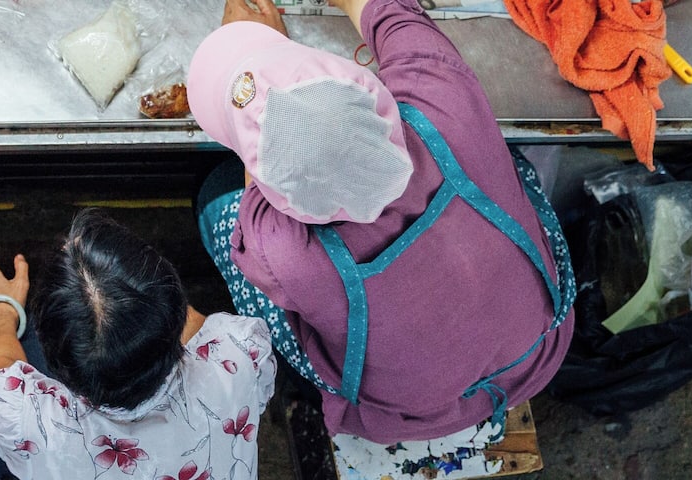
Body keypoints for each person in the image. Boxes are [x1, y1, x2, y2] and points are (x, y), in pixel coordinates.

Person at [191, 0, 575, 444]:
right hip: (537, 352)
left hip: (408, 413)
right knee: (507, 166)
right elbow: (391, 14)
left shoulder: (280, 247)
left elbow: (259, 178)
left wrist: (260, 79)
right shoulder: (444, 95)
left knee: (216, 197)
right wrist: (279, 64)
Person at [0, 209, 278, 480]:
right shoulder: (241, 351)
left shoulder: (34, 426)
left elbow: (1, 373)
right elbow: (196, 324)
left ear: (56, 362)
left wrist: (3, 310)